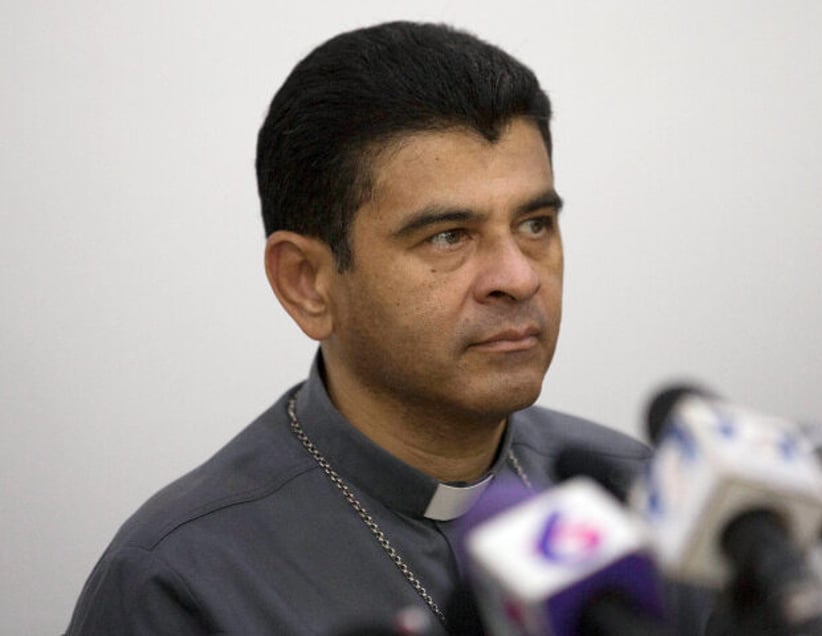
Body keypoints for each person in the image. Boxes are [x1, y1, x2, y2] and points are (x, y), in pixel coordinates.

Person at [65, 21, 708, 635]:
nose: (518, 277)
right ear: (307, 283)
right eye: (449, 236)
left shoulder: (643, 497)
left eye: (535, 224)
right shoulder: (179, 580)